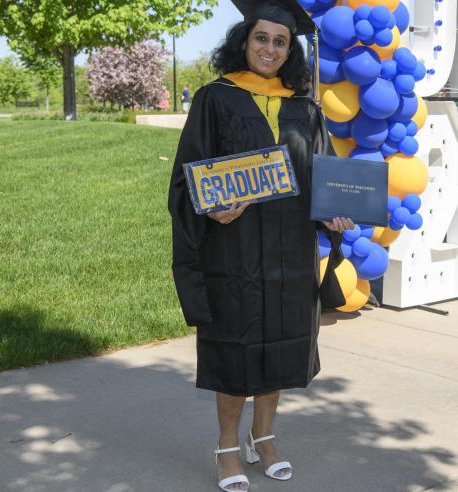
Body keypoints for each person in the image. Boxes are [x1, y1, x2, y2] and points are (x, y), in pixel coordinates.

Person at [167, 1, 354, 490]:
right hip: (233, 248)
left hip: (290, 250)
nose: (269, 49)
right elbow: (187, 177)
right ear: (244, 41)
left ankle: (264, 436)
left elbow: (323, 174)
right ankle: (228, 446)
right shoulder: (214, 98)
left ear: (289, 50)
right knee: (234, 346)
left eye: (280, 41)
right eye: (261, 38)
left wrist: (334, 211)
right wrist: (208, 208)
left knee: (278, 345)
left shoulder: (303, 106)